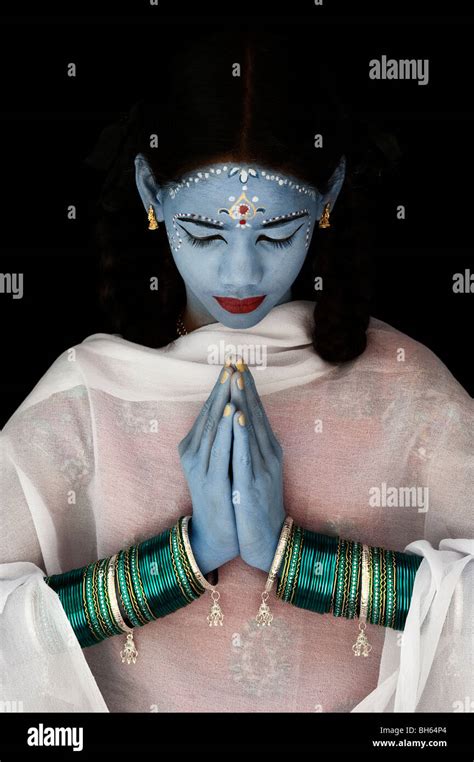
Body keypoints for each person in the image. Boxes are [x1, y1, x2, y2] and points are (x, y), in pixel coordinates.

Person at [0, 27, 472, 714]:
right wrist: (184, 560)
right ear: (150, 196)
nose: (242, 271)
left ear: (329, 196)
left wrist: (298, 560)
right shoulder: (83, 398)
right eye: (206, 232)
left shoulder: (408, 391)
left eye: (278, 233)